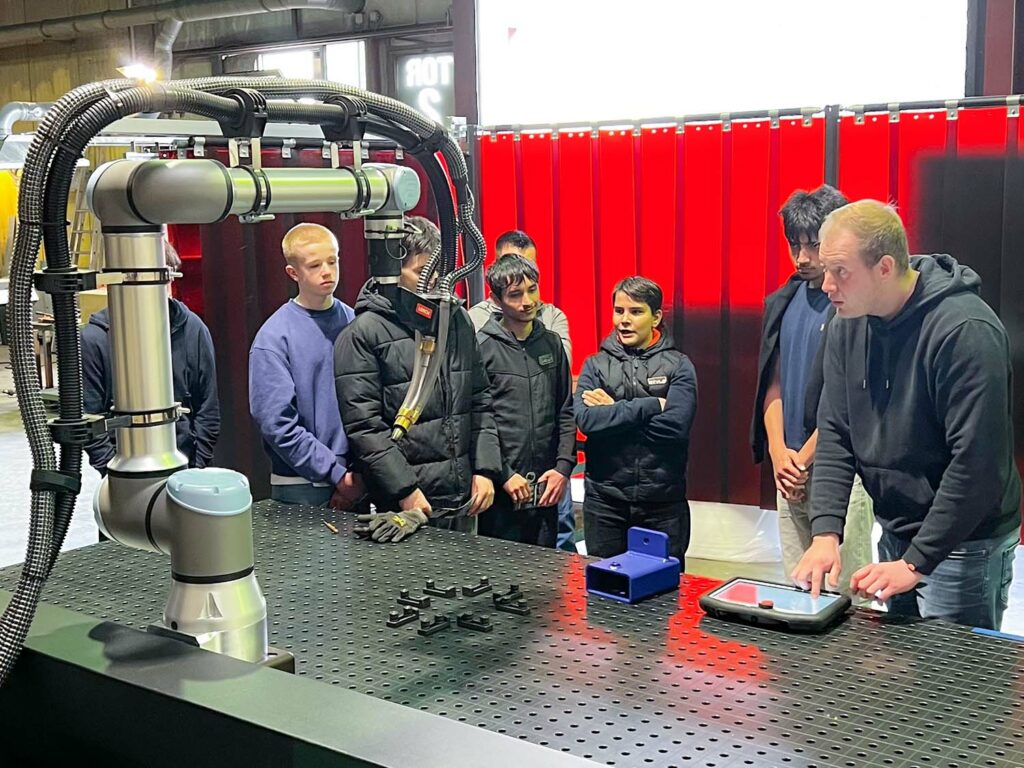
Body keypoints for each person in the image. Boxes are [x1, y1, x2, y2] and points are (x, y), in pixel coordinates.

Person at [793, 200, 1021, 630]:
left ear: (884, 267)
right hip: (897, 527)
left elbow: (976, 464)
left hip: (966, 540)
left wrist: (916, 563)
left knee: (955, 683)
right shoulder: (848, 323)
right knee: (907, 673)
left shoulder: (964, 332)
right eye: (825, 270)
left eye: (840, 271)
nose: (826, 285)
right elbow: (837, 432)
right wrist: (826, 532)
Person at [334, 216, 501, 541]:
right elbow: (365, 428)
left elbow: (480, 399)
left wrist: (485, 469)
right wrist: (405, 490)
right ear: (393, 270)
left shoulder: (455, 321)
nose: (436, 282)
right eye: (424, 272)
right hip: (403, 508)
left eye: (439, 273)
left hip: (463, 499)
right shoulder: (363, 334)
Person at [750, 185, 874, 596]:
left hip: (840, 467)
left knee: (847, 592)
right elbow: (774, 383)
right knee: (796, 585)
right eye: (794, 245)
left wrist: (803, 459)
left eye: (814, 245)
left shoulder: (854, 307)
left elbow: (853, 400)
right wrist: (778, 451)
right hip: (788, 466)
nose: (803, 257)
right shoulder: (783, 301)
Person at [574, 276, 697, 565]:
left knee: (664, 596)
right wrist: (651, 405)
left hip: (662, 505)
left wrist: (613, 411)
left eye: (635, 311)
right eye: (619, 311)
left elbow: (675, 427)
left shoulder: (679, 365)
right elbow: (587, 421)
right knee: (604, 594)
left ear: (655, 317)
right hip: (605, 504)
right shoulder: (595, 365)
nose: (624, 320)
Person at [469, 229, 578, 552]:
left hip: (546, 488)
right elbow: (478, 419)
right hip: (503, 491)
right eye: (516, 294)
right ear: (497, 300)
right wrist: (501, 474)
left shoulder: (552, 343)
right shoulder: (482, 347)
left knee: (545, 582)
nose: (527, 301)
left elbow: (565, 410)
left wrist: (562, 468)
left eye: (532, 290)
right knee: (500, 582)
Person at [83, 235, 219, 475]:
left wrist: (196, 468)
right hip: (123, 470)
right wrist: (114, 474)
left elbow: (207, 408)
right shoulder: (95, 340)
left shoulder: (193, 330)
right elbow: (90, 418)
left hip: (185, 467)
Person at [249, 222, 362, 509]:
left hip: (359, 478)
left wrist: (359, 473)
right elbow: (278, 424)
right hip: (300, 486)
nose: (327, 271)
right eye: (314, 265)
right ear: (293, 273)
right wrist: (336, 474)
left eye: (332, 261)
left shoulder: (356, 322)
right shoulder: (274, 337)